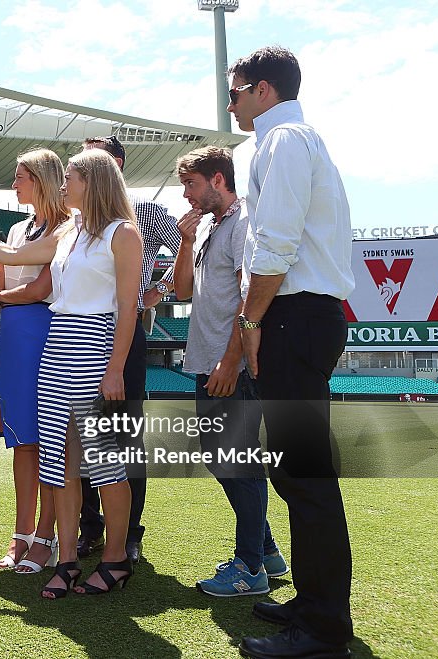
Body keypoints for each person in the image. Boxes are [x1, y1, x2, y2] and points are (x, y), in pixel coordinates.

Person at [0, 149, 143, 599]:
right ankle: (67, 560)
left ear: (93, 182)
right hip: (57, 346)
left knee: (104, 461)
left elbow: (129, 307)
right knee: (59, 461)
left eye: (70, 178)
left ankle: (115, 559)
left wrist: (115, 369)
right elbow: (9, 252)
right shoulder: (69, 231)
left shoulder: (122, 233)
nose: (63, 185)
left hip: (95, 342)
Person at [227, 46, 355, 659]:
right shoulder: (295, 140)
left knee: (305, 478)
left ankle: (325, 628)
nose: (231, 103)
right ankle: (314, 605)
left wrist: (252, 319)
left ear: (263, 91)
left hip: (293, 314)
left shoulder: (284, 142)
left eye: (236, 92)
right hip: (301, 314)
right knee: (297, 474)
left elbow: (275, 239)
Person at [171, 146, 288, 598]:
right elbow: (181, 290)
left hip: (230, 365)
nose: (187, 195)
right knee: (224, 460)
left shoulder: (243, 223)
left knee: (238, 464)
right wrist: (184, 239)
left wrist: (231, 360)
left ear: (218, 179)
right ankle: (267, 550)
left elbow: (250, 297)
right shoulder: (205, 228)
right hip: (206, 360)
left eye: (192, 185)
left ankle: (251, 568)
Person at [0, 149, 71, 573]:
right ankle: (21, 536)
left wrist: (2, 293)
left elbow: (38, 289)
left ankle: (46, 537)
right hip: (13, 336)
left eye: (20, 177)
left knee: (50, 442)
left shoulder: (66, 227)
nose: (14, 184)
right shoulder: (19, 229)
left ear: (40, 178)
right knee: (22, 440)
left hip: (44, 332)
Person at [76, 136, 182, 563]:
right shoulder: (77, 217)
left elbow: (186, 251)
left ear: (116, 164)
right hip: (80, 333)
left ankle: (130, 533)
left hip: (127, 330)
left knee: (125, 435)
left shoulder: (150, 213)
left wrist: (158, 289)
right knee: (83, 434)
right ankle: (90, 529)